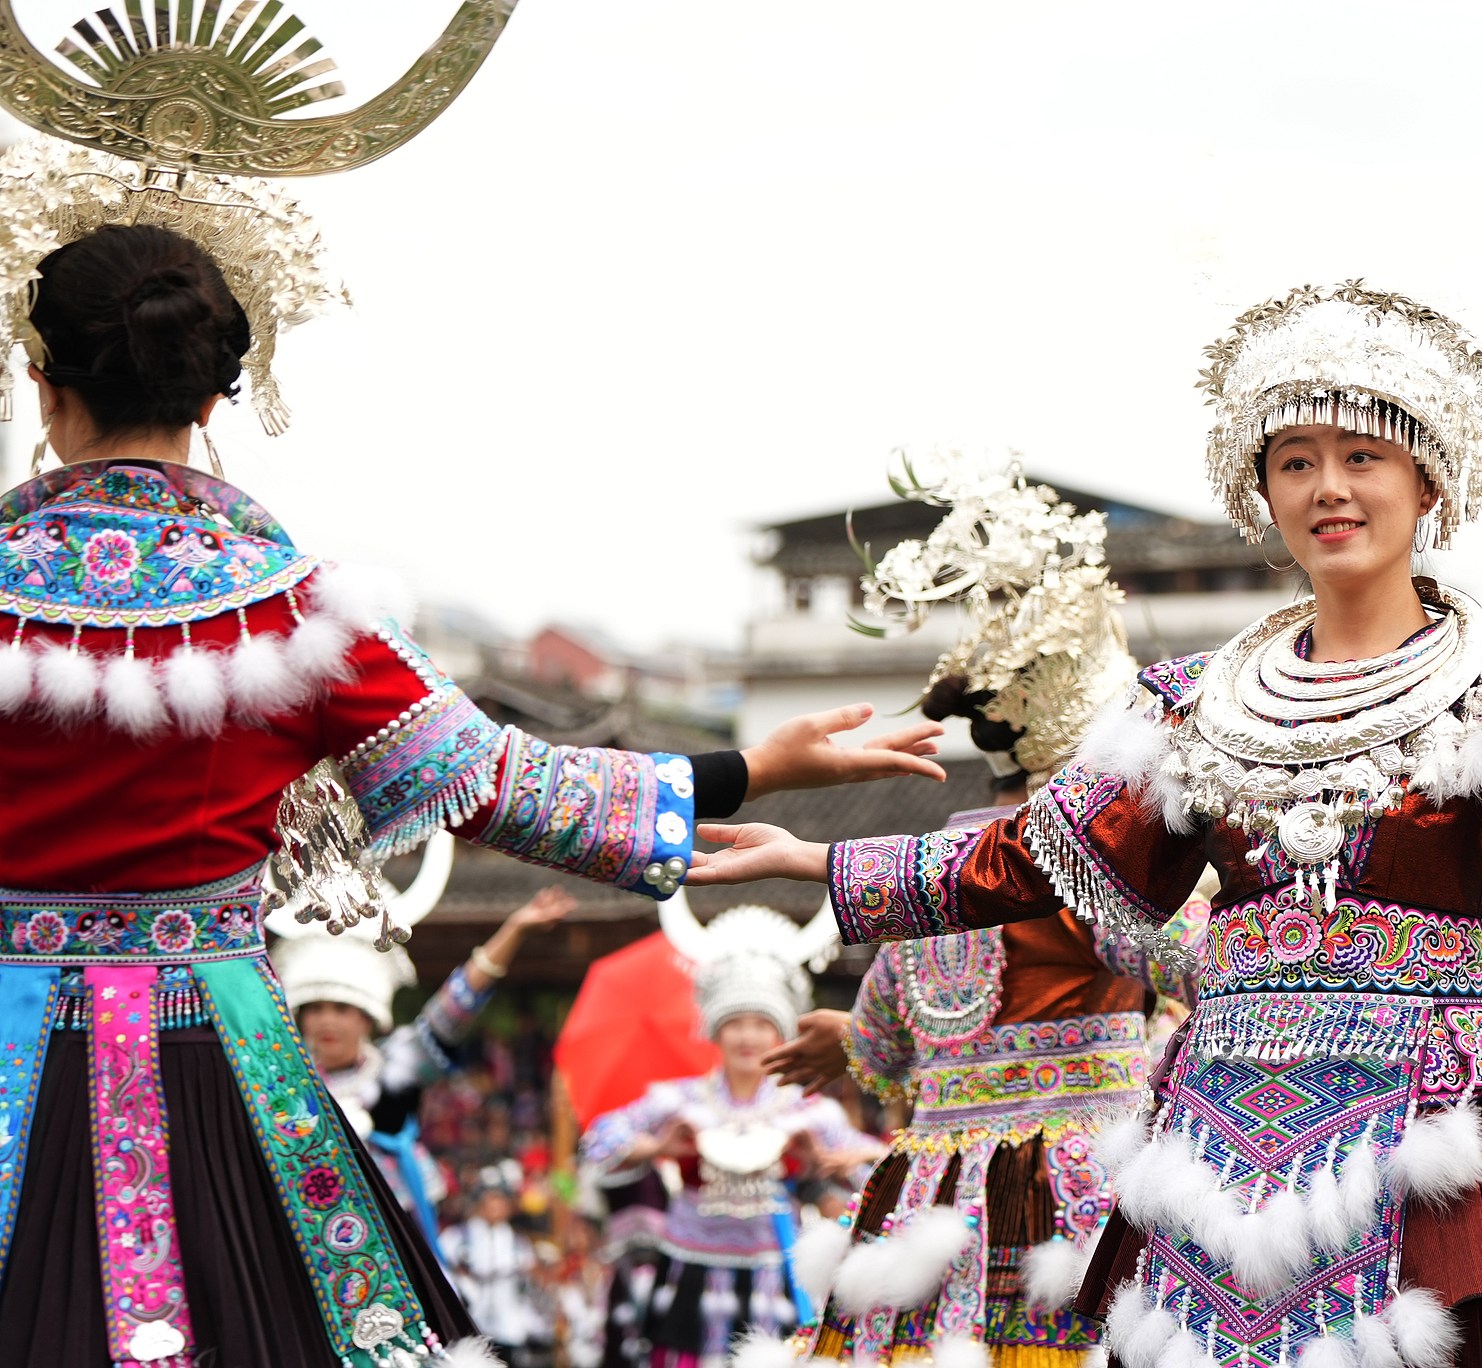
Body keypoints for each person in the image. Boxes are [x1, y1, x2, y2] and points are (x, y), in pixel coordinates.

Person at [688, 281, 1482, 1368]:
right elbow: (1036, 852)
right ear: (1261, 491)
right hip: (1216, 1125)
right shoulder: (1190, 707)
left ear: (1425, 478)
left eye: (1361, 456)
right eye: (1293, 462)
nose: (1327, 488)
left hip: (1419, 1120)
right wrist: (820, 860)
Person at [0, 137, 942, 1367]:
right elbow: (514, 786)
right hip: (213, 1049)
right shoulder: (294, 614)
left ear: (38, 379)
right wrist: (752, 768)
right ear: (214, 394)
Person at [755, 461, 1207, 1368]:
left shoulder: (928, 880)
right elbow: (1209, 975)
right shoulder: (1086, 866)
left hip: (929, 1200)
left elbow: (884, 1049)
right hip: (1069, 1200)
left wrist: (844, 1036)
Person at [580, 906, 886, 1368]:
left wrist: (827, 1160)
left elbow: (879, 1170)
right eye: (736, 1022)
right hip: (689, 1270)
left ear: (780, 1031)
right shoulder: (678, 1101)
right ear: (715, 1029)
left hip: (774, 1271)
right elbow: (598, 1142)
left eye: (762, 1023)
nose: (748, 1036)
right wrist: (659, 1147)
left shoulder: (809, 1111)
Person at [276, 879, 576, 1246]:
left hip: (394, 1230)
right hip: (302, 1234)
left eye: (341, 1009)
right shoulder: (281, 1083)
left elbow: (453, 1009)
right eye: (316, 1008)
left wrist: (513, 930)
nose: (327, 1021)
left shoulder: (394, 1067)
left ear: (367, 1018)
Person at [440, 1162, 551, 1368]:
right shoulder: (455, 1238)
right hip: (469, 1326)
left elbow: (532, 1283)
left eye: (502, 1198)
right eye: (492, 1197)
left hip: (509, 1329)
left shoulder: (518, 1242)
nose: (497, 1204)